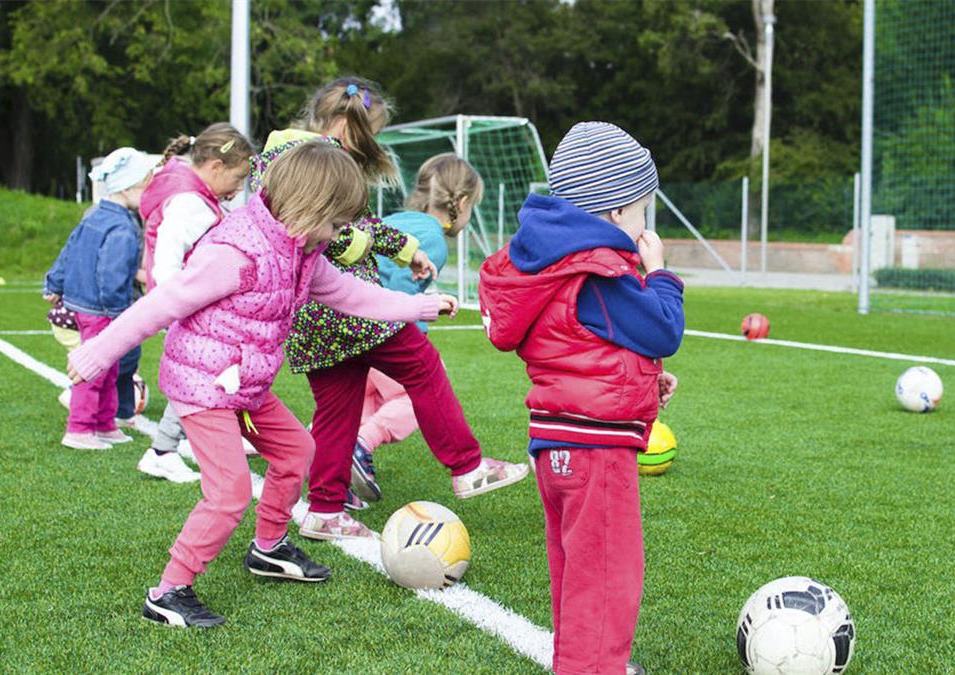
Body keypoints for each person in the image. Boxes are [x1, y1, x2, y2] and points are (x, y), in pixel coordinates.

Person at [66, 141, 458, 628]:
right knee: (229, 492)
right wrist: (97, 353)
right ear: (309, 208)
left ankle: (268, 548)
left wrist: (418, 306)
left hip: (245, 385)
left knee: (298, 451)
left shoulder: (302, 250)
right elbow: (162, 304)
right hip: (204, 385)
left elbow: (349, 294)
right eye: (337, 224)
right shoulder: (235, 252)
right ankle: (168, 592)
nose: (340, 235)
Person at [250, 77, 527, 542]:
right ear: (343, 124)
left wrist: (406, 250)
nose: (369, 146)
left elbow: (357, 222)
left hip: (311, 318)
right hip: (347, 307)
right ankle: (467, 466)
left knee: (338, 407)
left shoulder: (281, 155)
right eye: (368, 133)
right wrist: (368, 251)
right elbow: (330, 233)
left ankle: (324, 508)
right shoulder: (312, 159)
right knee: (422, 365)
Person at [478, 122, 685, 675]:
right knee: (607, 580)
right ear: (615, 212)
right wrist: (659, 272)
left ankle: (582, 663)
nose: (644, 223)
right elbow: (663, 328)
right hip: (595, 452)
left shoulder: (552, 263)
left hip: (557, 443)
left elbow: (582, 345)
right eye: (641, 208)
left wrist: (645, 380)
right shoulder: (598, 272)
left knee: (576, 574)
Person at [348, 153, 483, 504]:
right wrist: (413, 334)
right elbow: (399, 286)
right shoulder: (434, 239)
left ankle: (325, 452)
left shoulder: (397, 220)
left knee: (362, 399)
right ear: (462, 203)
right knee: (415, 393)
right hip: (379, 328)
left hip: (347, 324)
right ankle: (361, 445)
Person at [135, 122, 255, 484]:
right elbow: (168, 260)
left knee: (214, 372)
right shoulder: (190, 203)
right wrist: (180, 303)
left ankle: (179, 444)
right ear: (216, 167)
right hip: (189, 307)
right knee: (201, 376)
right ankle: (162, 450)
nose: (238, 190)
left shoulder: (197, 196)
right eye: (237, 178)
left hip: (193, 305)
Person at [44, 147, 160, 450]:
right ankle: (80, 428)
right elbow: (112, 274)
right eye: (146, 186)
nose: (148, 194)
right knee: (96, 369)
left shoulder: (94, 214)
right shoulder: (122, 226)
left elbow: (68, 249)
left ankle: (105, 424)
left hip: (88, 305)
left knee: (109, 367)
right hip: (103, 309)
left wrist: (54, 281)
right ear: (129, 187)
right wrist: (119, 313)